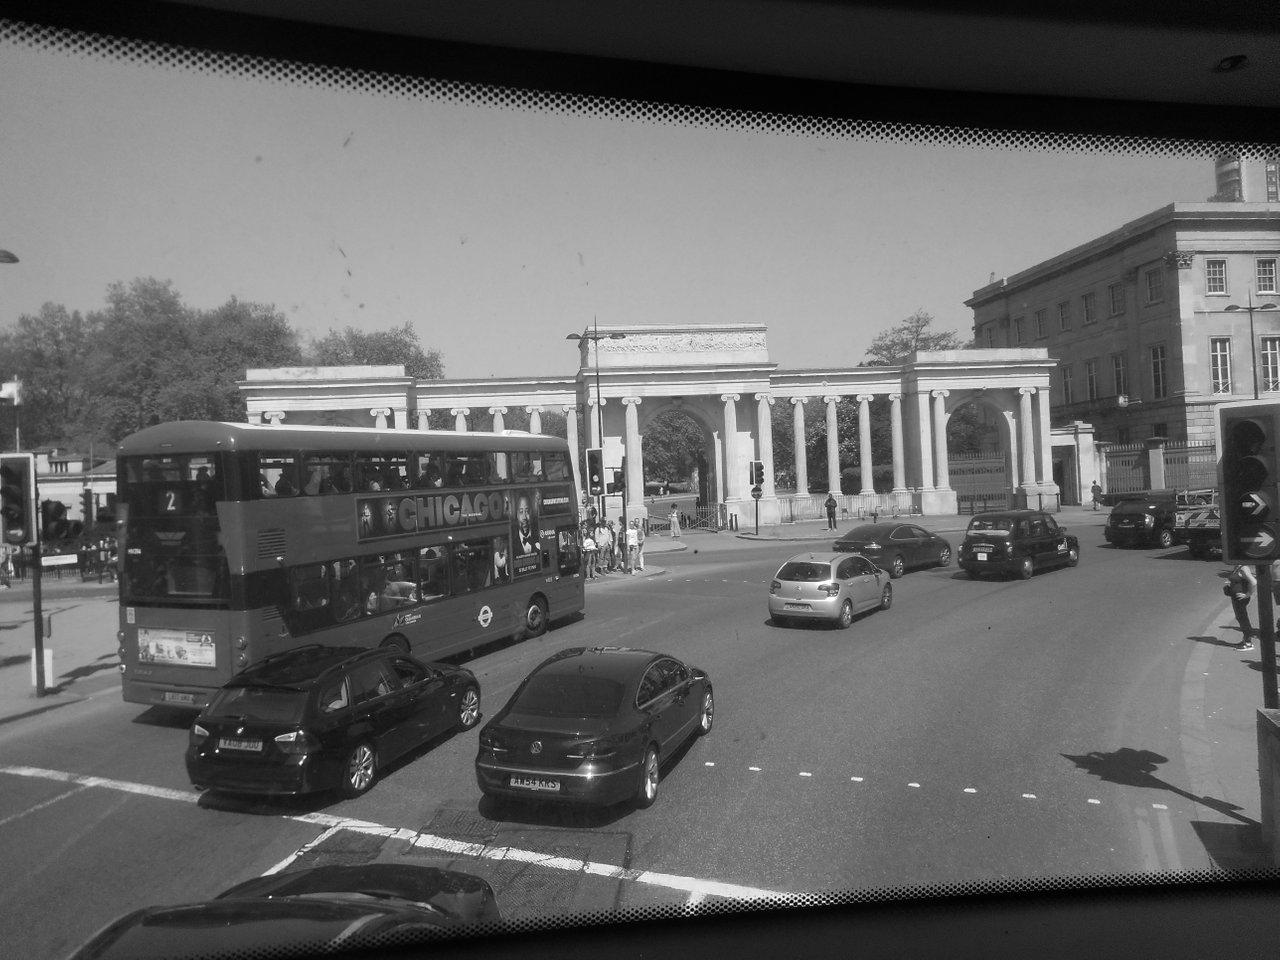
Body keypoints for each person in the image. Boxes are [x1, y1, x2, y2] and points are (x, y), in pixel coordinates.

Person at [1225, 563, 1256, 650]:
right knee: (1240, 617)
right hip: (1235, 597)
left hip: (1240, 598)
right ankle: (1245, 639)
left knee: (1242, 618)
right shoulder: (1237, 566)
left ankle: (1248, 642)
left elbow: (1253, 582)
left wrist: (1248, 594)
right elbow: (1239, 580)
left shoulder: (1244, 568)